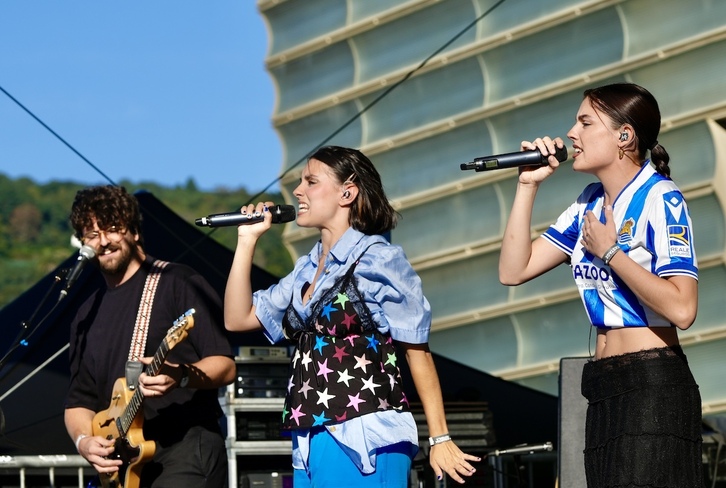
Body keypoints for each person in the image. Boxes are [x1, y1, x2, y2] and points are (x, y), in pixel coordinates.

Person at [224, 146, 480, 487]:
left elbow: (417, 351)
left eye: (311, 182)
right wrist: (246, 241)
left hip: (367, 432)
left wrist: (440, 438)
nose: (298, 191)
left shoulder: (379, 259)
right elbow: (237, 319)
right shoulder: (305, 268)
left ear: (348, 192)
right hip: (312, 433)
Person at [498, 83, 702, 487]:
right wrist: (528, 185)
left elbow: (683, 309)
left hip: (652, 387)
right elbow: (513, 270)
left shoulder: (662, 197)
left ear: (625, 136)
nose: (571, 133)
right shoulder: (588, 202)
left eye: (585, 122)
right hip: (602, 387)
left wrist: (611, 253)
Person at [64, 185, 236, 487]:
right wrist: (83, 442)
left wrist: (181, 375)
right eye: (92, 234)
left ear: (133, 231)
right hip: (127, 462)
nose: (103, 241)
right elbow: (79, 402)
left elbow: (226, 364)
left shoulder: (176, 281)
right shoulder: (86, 314)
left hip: (185, 451)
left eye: (112, 229)